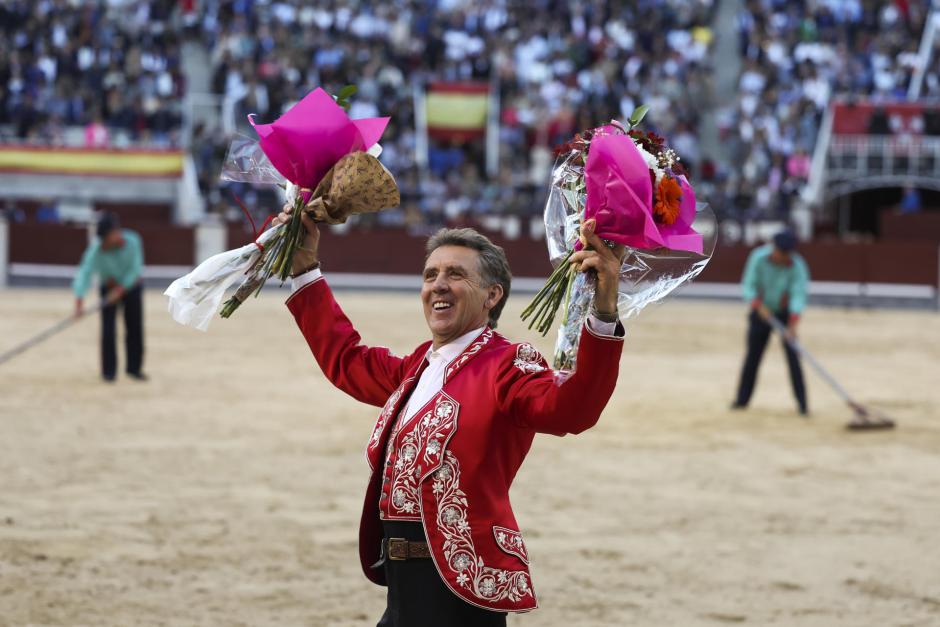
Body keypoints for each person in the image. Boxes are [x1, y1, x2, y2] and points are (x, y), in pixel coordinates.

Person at [277, 205, 625, 625]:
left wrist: (603, 312)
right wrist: (304, 269)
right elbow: (345, 360)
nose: (438, 285)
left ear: (492, 295)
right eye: (430, 275)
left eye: (455, 275)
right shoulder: (416, 367)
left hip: (463, 594)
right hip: (402, 588)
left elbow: (571, 410)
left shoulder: (508, 365)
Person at [732, 230, 809, 415]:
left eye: (786, 253)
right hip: (760, 313)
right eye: (780, 252)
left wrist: (792, 324)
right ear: (773, 248)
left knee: (793, 358)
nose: (782, 256)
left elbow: (798, 296)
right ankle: (742, 401)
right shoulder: (758, 257)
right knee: (753, 357)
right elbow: (749, 285)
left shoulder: (797, 266)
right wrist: (758, 305)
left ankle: (803, 406)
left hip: (784, 314)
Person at [73, 213, 146, 382]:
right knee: (108, 330)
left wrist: (121, 289)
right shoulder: (97, 249)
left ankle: (134, 369)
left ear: (116, 231)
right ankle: (108, 372)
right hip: (109, 287)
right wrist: (79, 301)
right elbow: (84, 273)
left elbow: (135, 270)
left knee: (134, 327)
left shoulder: (133, 241)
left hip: (131, 287)